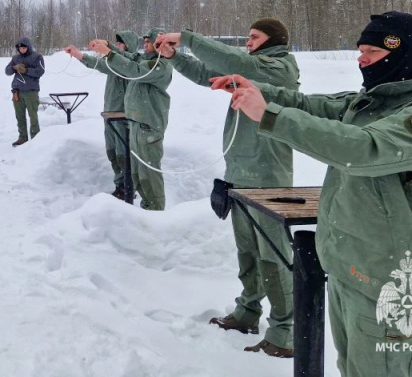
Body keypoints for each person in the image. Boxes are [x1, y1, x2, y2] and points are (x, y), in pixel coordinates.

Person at [210, 11, 412, 377]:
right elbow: (313, 105)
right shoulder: (378, 101)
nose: (362, 59)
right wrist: (256, 90)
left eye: (373, 51)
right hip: (353, 265)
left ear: (403, 55)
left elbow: (361, 148)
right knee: (351, 367)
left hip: (392, 280)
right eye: (360, 50)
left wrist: (269, 116)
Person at [156, 19, 300, 358]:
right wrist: (175, 57)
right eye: (248, 37)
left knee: (273, 257)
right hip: (240, 173)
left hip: (268, 178)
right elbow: (209, 73)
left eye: (254, 37)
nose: (248, 42)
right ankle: (248, 312)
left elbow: (233, 61)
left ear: (273, 40)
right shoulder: (252, 68)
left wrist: (186, 37)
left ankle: (285, 331)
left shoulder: (278, 68)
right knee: (247, 252)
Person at [89, 28, 172, 210]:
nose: (145, 45)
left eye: (150, 42)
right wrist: (108, 46)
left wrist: (109, 53)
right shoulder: (144, 60)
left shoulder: (160, 65)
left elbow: (133, 69)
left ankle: (156, 214)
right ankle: (147, 210)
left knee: (149, 175)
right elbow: (130, 58)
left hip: (149, 127)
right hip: (137, 125)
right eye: (145, 41)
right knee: (138, 175)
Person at [65, 30, 141, 199]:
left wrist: (107, 49)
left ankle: (129, 188)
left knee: (124, 155)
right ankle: (120, 186)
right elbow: (99, 64)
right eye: (117, 42)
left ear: (129, 45)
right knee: (112, 152)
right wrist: (78, 55)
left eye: (121, 43)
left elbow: (114, 64)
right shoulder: (113, 62)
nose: (118, 45)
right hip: (110, 114)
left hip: (124, 117)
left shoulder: (133, 64)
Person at [5, 37, 45, 147]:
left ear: (28, 47)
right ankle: (22, 137)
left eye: (23, 47)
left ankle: (35, 138)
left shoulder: (37, 57)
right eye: (19, 48)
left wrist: (26, 70)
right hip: (17, 91)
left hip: (31, 91)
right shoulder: (15, 58)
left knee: (33, 116)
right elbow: (7, 71)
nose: (21, 49)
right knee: (20, 116)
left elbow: (40, 71)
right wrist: (14, 68)